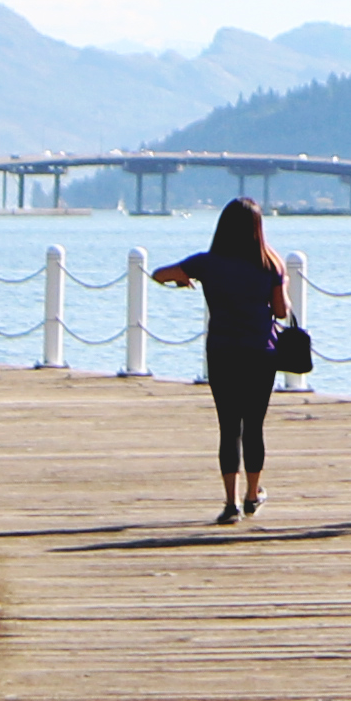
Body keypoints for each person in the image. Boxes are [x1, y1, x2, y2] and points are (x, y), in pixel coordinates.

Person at [151, 199, 296, 520]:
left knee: (229, 426)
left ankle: (230, 503)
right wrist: (280, 282)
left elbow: (158, 274)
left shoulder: (206, 263)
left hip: (222, 351)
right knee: (254, 425)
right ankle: (252, 495)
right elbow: (282, 310)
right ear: (258, 230)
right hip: (261, 352)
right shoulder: (270, 264)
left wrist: (182, 279)